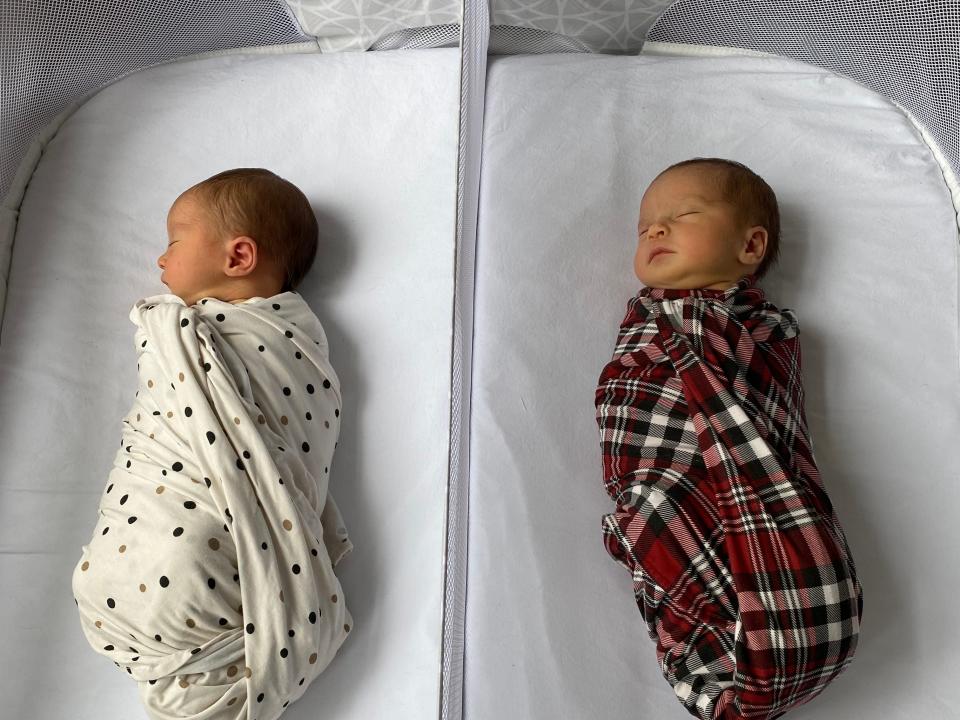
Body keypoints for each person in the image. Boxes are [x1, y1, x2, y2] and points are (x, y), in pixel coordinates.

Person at [72, 168, 352, 720]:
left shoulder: (281, 339)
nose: (160, 260)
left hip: (202, 549)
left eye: (173, 240)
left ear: (238, 257)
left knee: (187, 552)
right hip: (166, 515)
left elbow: (290, 437)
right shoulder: (194, 336)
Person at [594, 158, 863, 720]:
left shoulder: (762, 331)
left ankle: (762, 632)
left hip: (736, 490)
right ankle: (730, 653)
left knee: (657, 514)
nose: (655, 231)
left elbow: (775, 431)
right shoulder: (653, 319)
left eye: (682, 215)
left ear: (750, 247)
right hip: (672, 472)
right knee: (658, 513)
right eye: (644, 228)